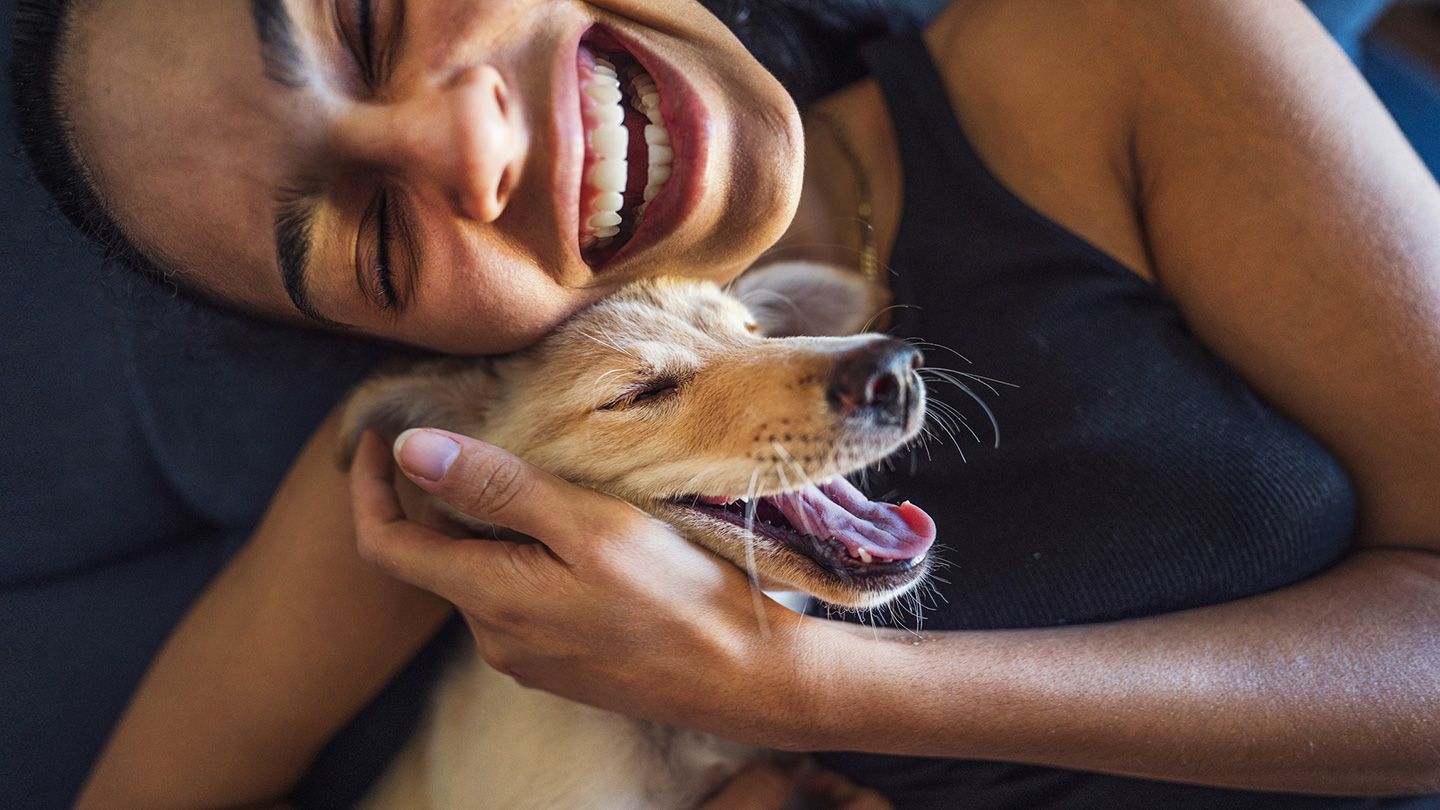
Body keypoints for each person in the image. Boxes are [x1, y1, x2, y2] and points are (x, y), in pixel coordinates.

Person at [4, 0, 1439, 808]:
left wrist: (792, 686)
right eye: (376, 242)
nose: (464, 141)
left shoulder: (1130, 51)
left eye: (369, 16)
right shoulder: (460, 466)